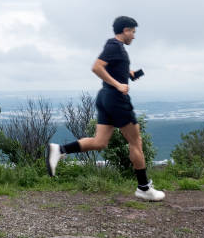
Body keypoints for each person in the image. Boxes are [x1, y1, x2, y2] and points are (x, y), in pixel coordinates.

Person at [46, 16, 165, 201]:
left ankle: (60, 150)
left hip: (106, 97)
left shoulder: (116, 49)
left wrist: (130, 74)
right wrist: (118, 85)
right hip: (116, 98)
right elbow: (97, 67)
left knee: (100, 141)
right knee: (136, 142)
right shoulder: (114, 46)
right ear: (125, 30)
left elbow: (113, 68)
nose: (134, 36)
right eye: (133, 32)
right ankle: (144, 188)